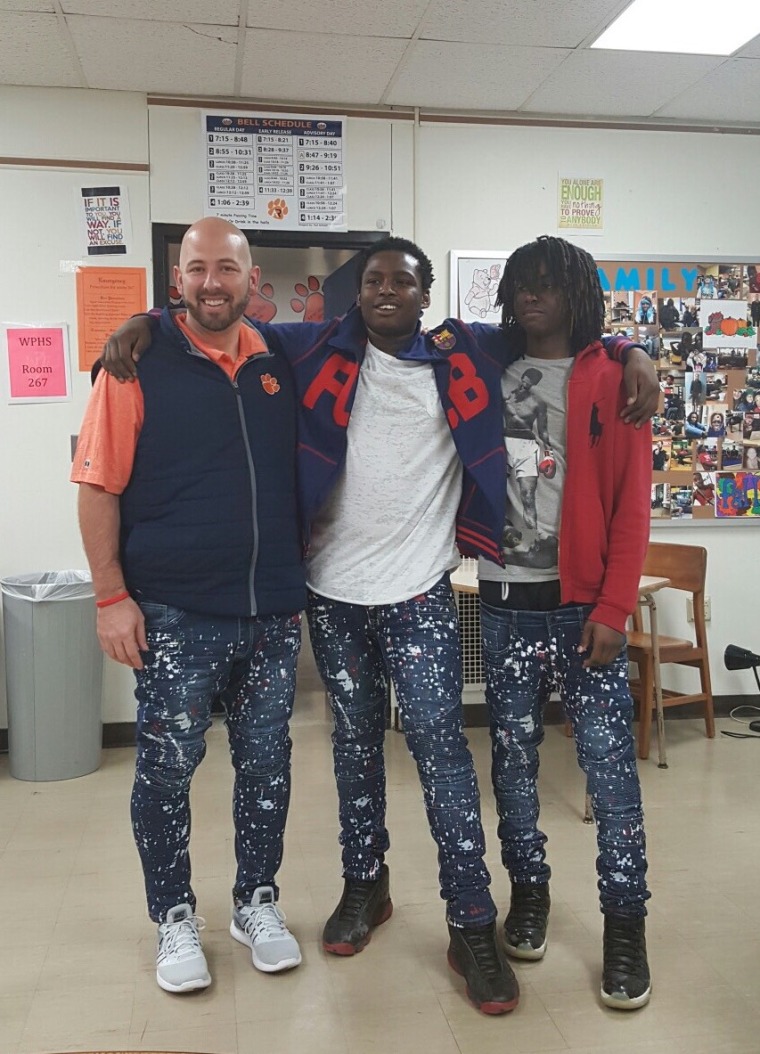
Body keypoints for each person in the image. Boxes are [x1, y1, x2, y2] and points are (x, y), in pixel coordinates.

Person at [99, 235, 658, 1016]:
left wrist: (635, 350)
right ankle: (367, 884)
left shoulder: (464, 348)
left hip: (422, 594)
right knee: (355, 747)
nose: (387, 291)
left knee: (442, 755)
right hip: (331, 595)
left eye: (403, 281)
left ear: (429, 296)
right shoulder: (311, 344)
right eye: (373, 280)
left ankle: (471, 920)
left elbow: (562, 335)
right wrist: (149, 322)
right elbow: (216, 316)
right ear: (355, 292)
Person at [71, 218, 306, 993]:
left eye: (227, 269)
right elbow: (98, 486)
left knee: (267, 768)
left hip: (271, 612)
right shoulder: (135, 364)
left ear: (251, 279)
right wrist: (111, 597)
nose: (213, 283)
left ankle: (256, 902)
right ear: (177, 279)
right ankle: (174, 916)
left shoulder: (279, 359)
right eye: (197, 269)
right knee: (167, 772)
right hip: (174, 613)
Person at [474, 236, 653, 1010]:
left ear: (578, 292)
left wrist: (614, 606)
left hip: (583, 611)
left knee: (610, 775)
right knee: (511, 765)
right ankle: (532, 893)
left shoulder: (617, 376)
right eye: (521, 285)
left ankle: (624, 925)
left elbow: (633, 508)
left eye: (548, 285)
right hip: (504, 606)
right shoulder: (483, 365)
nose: (532, 298)